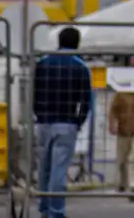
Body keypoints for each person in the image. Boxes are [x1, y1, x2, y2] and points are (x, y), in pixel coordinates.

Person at [33, 27, 93, 218]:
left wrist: (39, 114)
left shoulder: (42, 63)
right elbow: (86, 99)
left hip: (43, 122)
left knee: (44, 168)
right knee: (59, 170)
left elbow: (34, 93)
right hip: (66, 122)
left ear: (58, 40)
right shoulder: (81, 66)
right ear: (77, 43)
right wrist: (78, 121)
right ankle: (56, 212)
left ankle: (43, 208)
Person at [108, 89, 134, 193]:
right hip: (123, 130)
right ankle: (122, 182)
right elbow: (113, 110)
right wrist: (112, 123)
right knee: (122, 160)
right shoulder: (120, 94)